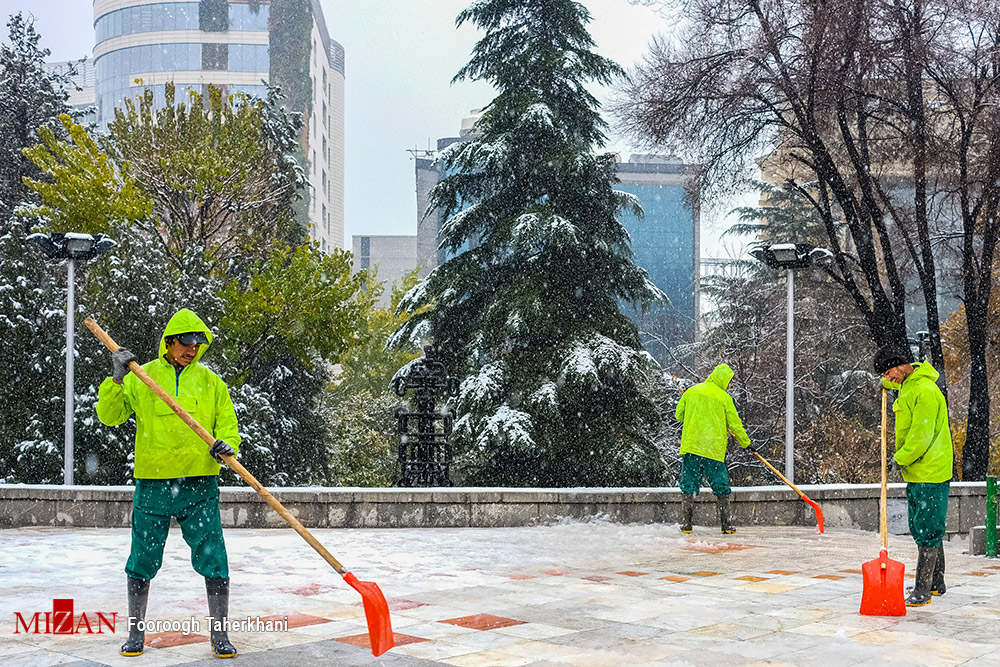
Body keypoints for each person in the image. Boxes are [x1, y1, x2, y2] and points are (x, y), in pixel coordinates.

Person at [96, 309, 241, 657]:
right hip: (154, 484)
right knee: (142, 558)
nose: (192, 349)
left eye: (199, 343)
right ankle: (136, 635)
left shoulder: (211, 383)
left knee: (214, 558)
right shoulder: (142, 376)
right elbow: (109, 416)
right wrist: (116, 379)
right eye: (187, 342)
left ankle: (219, 635)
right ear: (170, 342)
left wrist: (227, 445)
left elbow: (228, 426)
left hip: (199, 483)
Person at [874, 344, 953, 607]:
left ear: (899, 364)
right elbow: (900, 388)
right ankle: (936, 581)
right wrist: (887, 386)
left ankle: (923, 590)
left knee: (928, 528)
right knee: (923, 526)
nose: (889, 378)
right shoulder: (909, 385)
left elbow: (921, 437)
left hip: (930, 470)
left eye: (888, 373)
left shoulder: (925, 392)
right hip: (918, 471)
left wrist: (898, 458)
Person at [674, 363, 753, 534]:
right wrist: (746, 443)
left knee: (689, 485)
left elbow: (678, 415)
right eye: (729, 381)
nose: (729, 385)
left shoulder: (692, 391)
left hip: (692, 447)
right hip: (713, 450)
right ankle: (726, 526)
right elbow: (736, 425)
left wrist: (695, 413)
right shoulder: (724, 398)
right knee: (721, 486)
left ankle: (687, 525)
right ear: (723, 379)